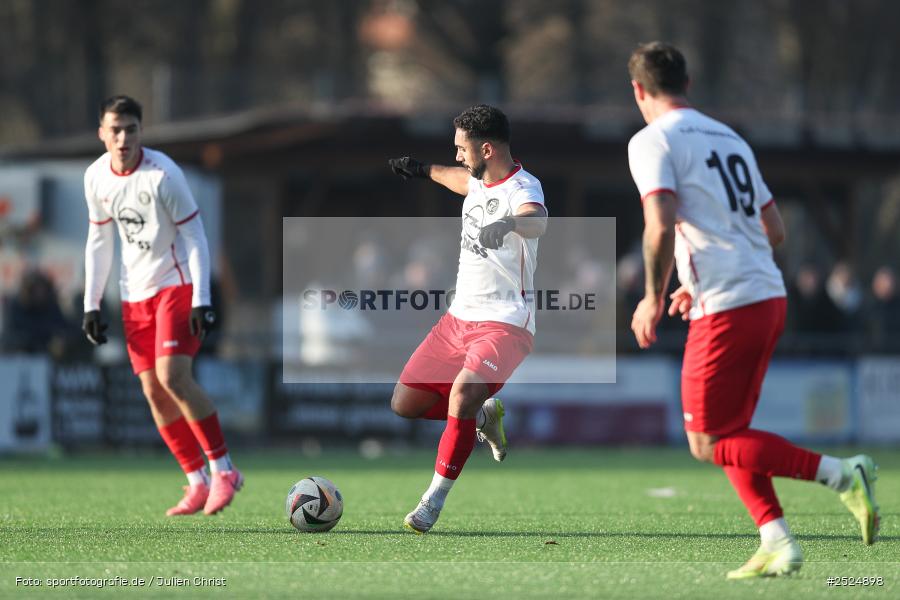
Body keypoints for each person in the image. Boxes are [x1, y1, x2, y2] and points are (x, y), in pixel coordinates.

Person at [625, 42, 879, 579]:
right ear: (688, 84)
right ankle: (776, 540)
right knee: (731, 432)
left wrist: (654, 294)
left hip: (729, 304)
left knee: (706, 441)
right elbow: (775, 230)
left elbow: (660, 221)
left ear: (639, 91)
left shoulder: (652, 140)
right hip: (766, 295)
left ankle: (842, 474)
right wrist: (701, 276)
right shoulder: (729, 137)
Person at [388, 104, 547, 533]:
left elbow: (538, 219)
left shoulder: (524, 188)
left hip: (505, 323)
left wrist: (510, 224)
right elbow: (455, 177)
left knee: (459, 395)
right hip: (458, 319)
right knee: (405, 403)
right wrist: (422, 169)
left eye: (463, 148)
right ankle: (482, 417)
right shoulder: (476, 181)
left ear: (488, 148)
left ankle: (431, 502)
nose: (458, 155)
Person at [82, 95, 242, 516]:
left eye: (130, 129)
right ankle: (196, 481)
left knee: (173, 377)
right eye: (114, 130)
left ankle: (224, 470)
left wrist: (202, 299)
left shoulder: (163, 175)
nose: (122, 138)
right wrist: (91, 304)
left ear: (140, 132)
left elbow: (196, 237)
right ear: (102, 133)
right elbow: (99, 242)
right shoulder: (96, 177)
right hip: (134, 295)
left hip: (176, 287)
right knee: (153, 391)